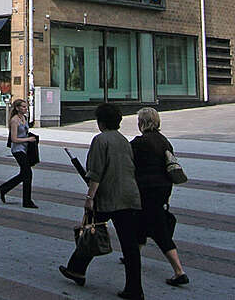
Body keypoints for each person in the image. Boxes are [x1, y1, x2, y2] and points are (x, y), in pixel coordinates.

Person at [59, 103, 143, 300]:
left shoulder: (100, 140)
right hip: (129, 195)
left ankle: (77, 269)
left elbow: (96, 172)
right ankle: (135, 288)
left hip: (107, 196)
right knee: (130, 245)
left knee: (90, 231)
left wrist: (90, 197)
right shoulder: (124, 140)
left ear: (100, 122)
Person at [131, 107, 189, 287]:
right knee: (141, 222)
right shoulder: (164, 141)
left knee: (159, 230)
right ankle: (132, 257)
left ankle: (179, 271)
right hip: (163, 188)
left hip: (146, 189)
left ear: (142, 123)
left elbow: (129, 164)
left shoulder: (139, 143)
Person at [0, 98, 38, 208]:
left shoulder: (24, 118)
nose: (26, 108)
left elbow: (25, 132)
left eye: (26, 106)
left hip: (25, 149)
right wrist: (28, 140)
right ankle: (27, 201)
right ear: (17, 108)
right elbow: (14, 139)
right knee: (28, 173)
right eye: (23, 107)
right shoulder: (14, 120)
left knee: (24, 174)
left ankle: (4, 188)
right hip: (17, 150)